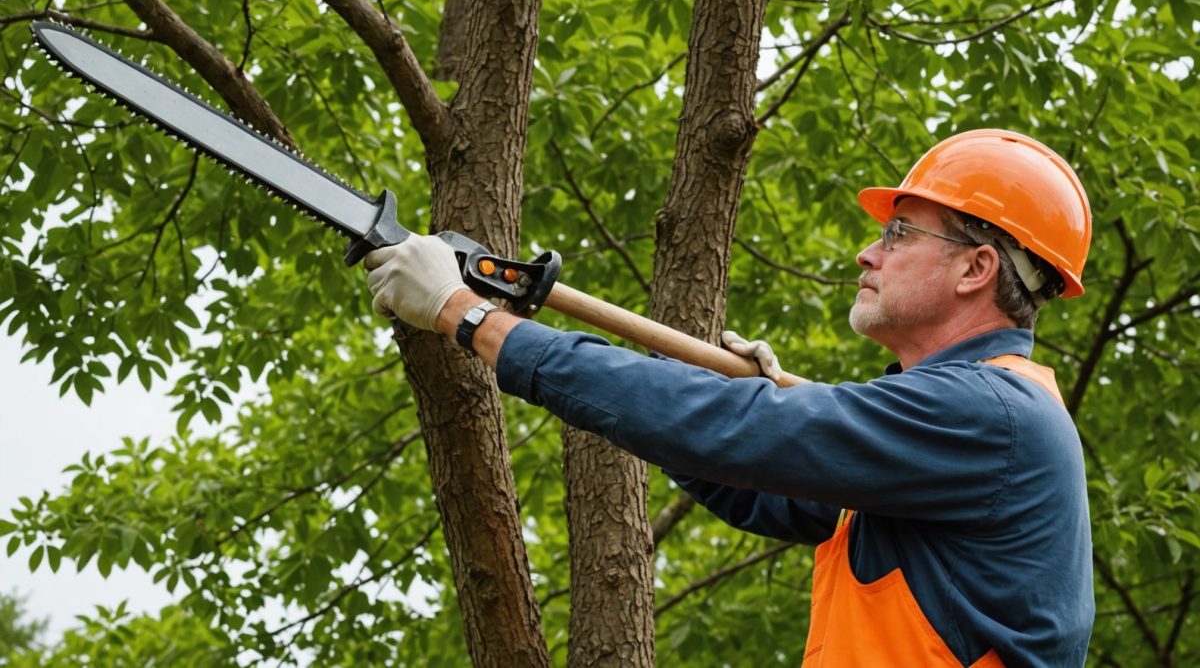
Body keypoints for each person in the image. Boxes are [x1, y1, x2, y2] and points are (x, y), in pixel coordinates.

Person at [365, 129, 1094, 666]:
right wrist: (723, 402)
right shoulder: (943, 429)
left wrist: (471, 318)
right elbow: (752, 481)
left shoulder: (992, 415)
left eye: (900, 233)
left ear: (977, 268)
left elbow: (727, 430)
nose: (868, 253)